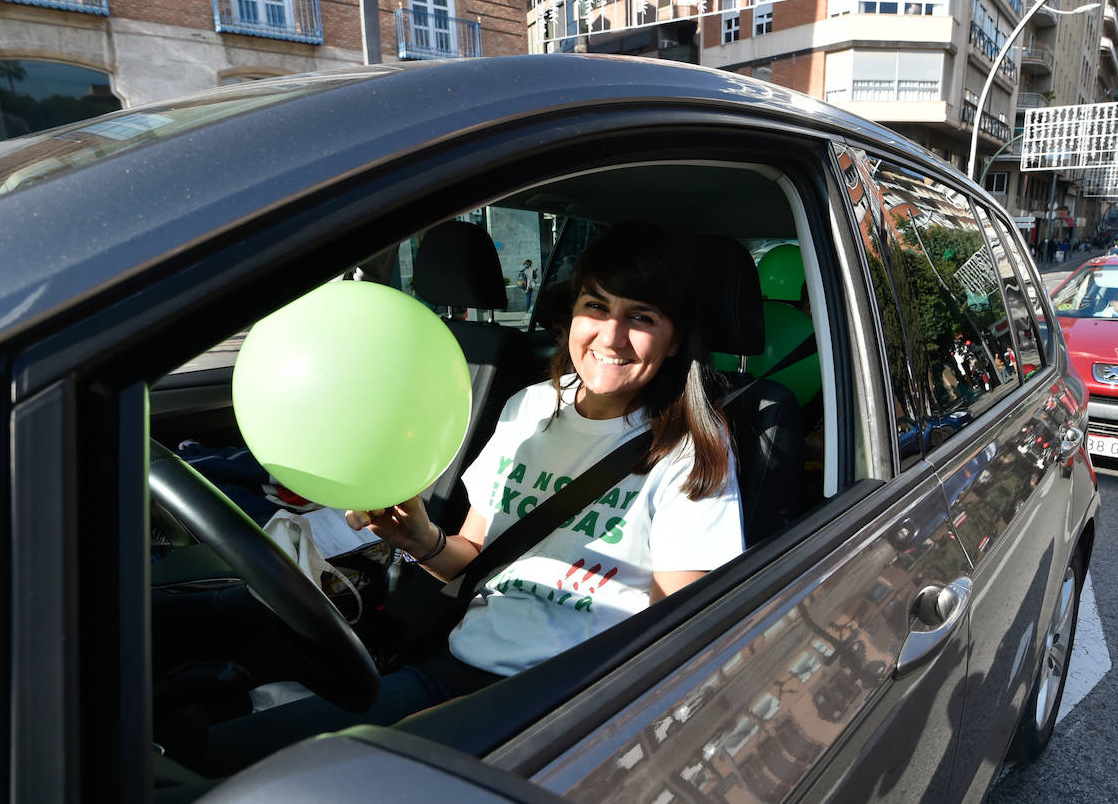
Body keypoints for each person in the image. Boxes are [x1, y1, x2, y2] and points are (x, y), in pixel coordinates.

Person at [201, 223, 745, 774]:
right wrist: (422, 541)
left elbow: (681, 631)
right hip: (450, 663)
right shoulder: (529, 408)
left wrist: (493, 718)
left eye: (641, 317)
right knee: (213, 758)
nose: (609, 336)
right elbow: (476, 557)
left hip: (562, 705)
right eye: (596, 306)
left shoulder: (689, 450)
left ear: (675, 339)